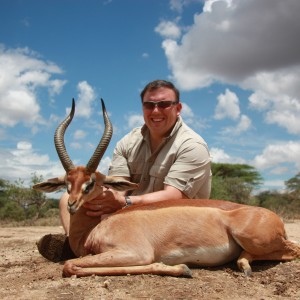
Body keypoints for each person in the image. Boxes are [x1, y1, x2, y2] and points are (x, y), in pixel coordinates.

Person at [37, 79, 212, 261]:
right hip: (134, 217)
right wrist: (101, 198)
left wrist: (125, 202)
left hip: (174, 219)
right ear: (143, 108)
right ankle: (75, 244)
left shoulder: (192, 145)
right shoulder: (128, 142)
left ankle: (92, 249)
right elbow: (116, 186)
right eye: (149, 105)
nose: (156, 111)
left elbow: (175, 196)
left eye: (164, 104)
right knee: (68, 198)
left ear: (178, 108)